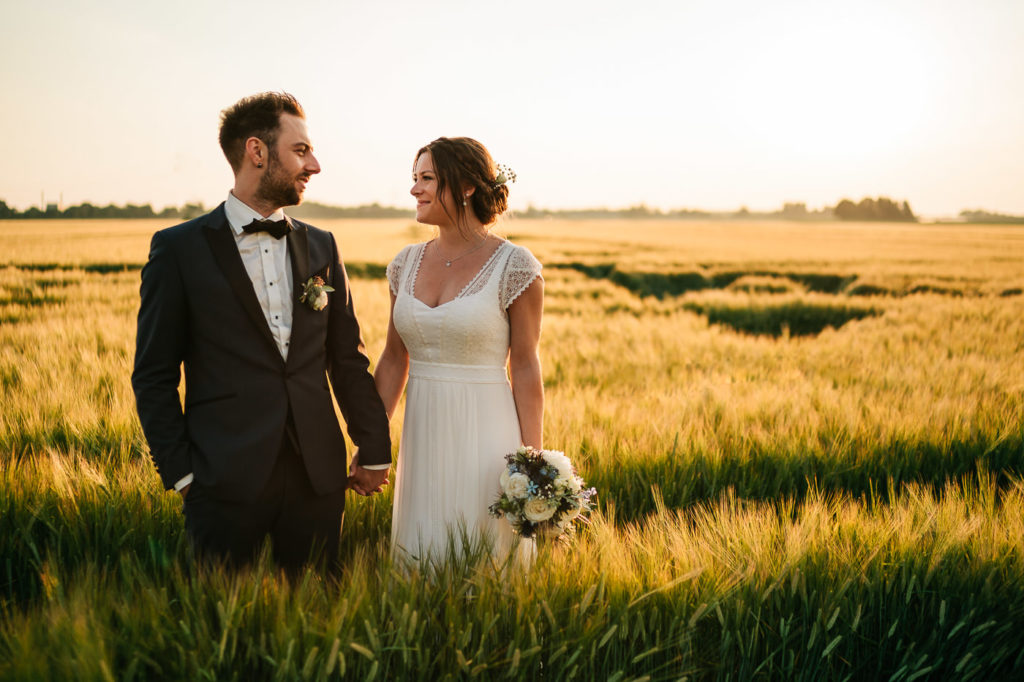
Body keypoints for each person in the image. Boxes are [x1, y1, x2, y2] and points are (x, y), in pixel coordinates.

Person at [131, 92, 391, 572]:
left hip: (317, 477)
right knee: (222, 613)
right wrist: (182, 474)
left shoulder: (322, 245)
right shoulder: (178, 249)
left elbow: (347, 359)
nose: (314, 165)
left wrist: (374, 447)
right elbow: (153, 374)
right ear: (256, 151)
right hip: (222, 479)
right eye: (301, 150)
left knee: (319, 610)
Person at [374, 137, 544, 563]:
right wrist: (371, 441)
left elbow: (525, 366)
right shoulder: (404, 264)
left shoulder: (515, 265)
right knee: (422, 552)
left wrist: (533, 465)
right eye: (415, 178)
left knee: (486, 557)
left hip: (486, 437)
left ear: (467, 186)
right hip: (423, 435)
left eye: (427, 178)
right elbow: (393, 359)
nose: (415, 189)